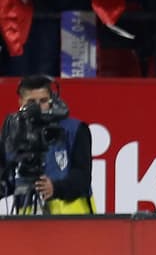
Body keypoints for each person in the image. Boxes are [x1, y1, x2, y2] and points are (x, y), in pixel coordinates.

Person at [0, 74, 92, 215]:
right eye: (31, 102)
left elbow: (82, 178)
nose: (37, 107)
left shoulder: (75, 129)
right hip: (27, 221)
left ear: (51, 99)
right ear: (20, 101)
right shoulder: (12, 133)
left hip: (72, 220)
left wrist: (55, 188)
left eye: (43, 101)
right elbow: (6, 179)